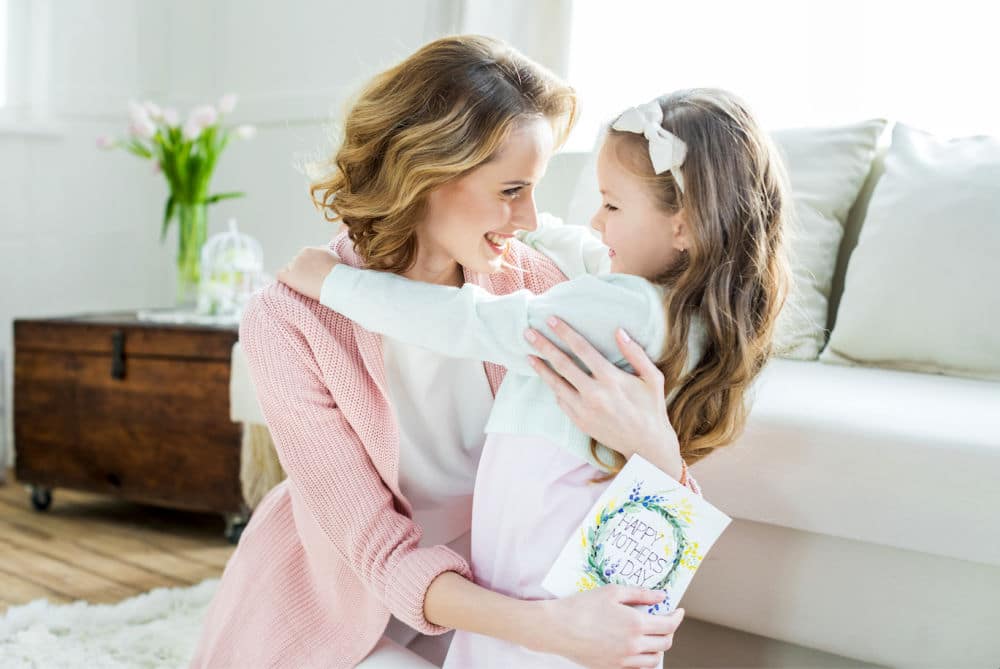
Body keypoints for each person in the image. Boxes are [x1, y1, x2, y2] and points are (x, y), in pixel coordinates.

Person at [189, 36, 693, 669]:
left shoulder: (534, 288)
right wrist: (554, 628)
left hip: (499, 602)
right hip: (349, 614)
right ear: (424, 174)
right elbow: (378, 554)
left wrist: (657, 448)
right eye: (512, 189)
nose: (531, 219)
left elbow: (636, 488)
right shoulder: (291, 319)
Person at [278, 88, 793, 668]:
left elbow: (471, 322)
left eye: (612, 206)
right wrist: (535, 228)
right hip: (546, 555)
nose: (596, 221)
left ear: (685, 226)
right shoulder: (673, 306)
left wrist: (335, 285)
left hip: (538, 550)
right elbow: (588, 250)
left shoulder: (623, 307)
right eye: (512, 191)